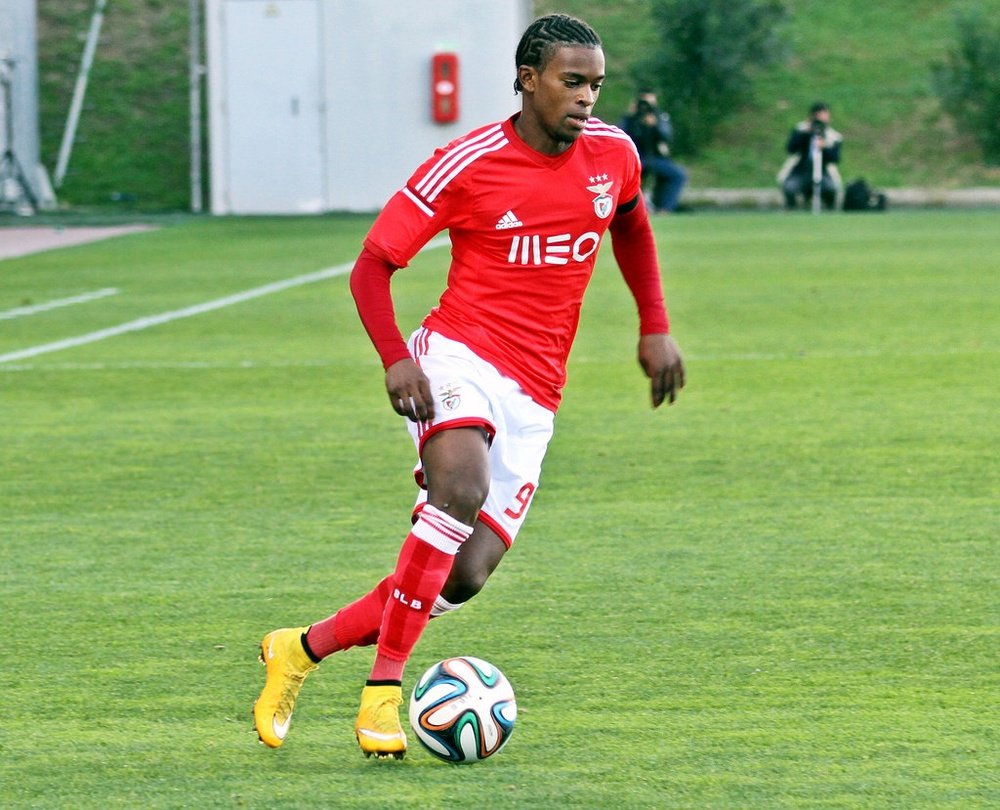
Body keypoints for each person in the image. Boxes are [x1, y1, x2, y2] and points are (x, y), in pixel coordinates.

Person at [252, 13, 685, 761]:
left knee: (463, 577)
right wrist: (396, 357)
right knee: (458, 489)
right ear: (527, 79)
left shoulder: (614, 154)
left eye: (596, 84)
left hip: (536, 391)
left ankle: (299, 649)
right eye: (572, 81)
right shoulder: (468, 163)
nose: (587, 98)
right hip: (458, 357)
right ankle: (382, 695)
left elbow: (633, 227)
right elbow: (372, 265)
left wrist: (654, 325)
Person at [618, 91, 687, 213]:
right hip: (635, 158)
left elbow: (667, 136)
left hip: (655, 157)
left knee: (677, 175)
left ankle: (665, 208)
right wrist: (630, 116)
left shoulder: (660, 117)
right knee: (630, 179)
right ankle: (633, 209)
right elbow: (620, 135)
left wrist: (655, 125)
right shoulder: (630, 118)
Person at [778, 102, 843, 210]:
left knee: (831, 188)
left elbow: (835, 158)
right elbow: (791, 148)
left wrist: (824, 148)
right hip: (800, 170)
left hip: (823, 172)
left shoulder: (833, 136)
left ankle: (830, 209)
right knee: (789, 187)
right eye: (819, 116)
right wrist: (805, 133)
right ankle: (791, 209)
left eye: (825, 116)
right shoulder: (801, 130)